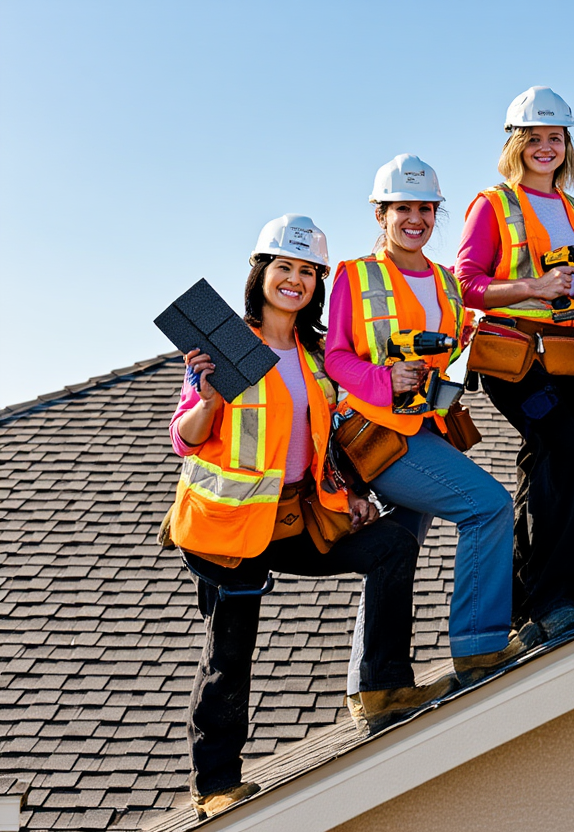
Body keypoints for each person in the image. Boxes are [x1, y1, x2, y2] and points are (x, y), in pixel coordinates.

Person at [167, 215, 443, 819]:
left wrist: (351, 491)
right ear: (260, 273)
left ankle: (384, 687)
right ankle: (215, 784)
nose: (294, 280)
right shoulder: (226, 348)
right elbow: (185, 439)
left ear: (318, 283)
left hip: (294, 519)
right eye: (283, 268)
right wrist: (207, 401)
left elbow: (320, 438)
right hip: (229, 526)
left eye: (307, 272)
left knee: (393, 545)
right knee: (230, 646)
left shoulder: (316, 356)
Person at [325, 155, 524, 723]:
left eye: (425, 209)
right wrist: (384, 378)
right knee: (487, 507)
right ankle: (479, 646)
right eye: (403, 209)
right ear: (381, 214)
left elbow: (454, 347)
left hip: (426, 426)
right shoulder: (354, 276)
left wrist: (475, 345)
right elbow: (336, 356)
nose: (415, 219)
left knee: (397, 549)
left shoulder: (442, 279)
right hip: (377, 436)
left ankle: (377, 686)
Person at [454, 86, 574, 643]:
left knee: (543, 465)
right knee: (562, 450)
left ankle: (521, 604)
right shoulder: (492, 204)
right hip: (513, 355)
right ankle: (556, 598)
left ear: (567, 144)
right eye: (533, 137)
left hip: (567, 355)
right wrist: (533, 287)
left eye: (555, 137)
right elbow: (466, 285)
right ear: (515, 144)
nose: (545, 146)